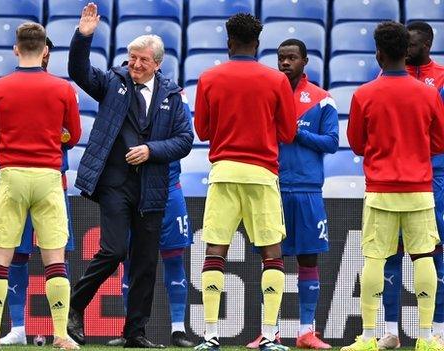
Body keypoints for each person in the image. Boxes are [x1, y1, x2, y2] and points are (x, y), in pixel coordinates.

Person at [65, 2, 193, 348]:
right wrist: (84, 37)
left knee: (145, 262)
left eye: (142, 60)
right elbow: (78, 71)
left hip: (153, 186)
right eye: (131, 57)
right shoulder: (113, 82)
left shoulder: (172, 94)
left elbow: (184, 140)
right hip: (114, 185)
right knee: (114, 250)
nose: (135, 64)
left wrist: (152, 151)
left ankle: (134, 332)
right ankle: (74, 308)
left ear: (157, 64)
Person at [193, 13, 296, 351]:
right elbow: (288, 132)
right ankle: (269, 334)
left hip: (223, 172)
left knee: (215, 250)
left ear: (229, 42)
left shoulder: (209, 78)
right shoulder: (276, 80)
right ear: (258, 44)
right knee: (272, 253)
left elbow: (203, 131)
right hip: (262, 174)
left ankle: (210, 336)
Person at [0, 22, 81, 349]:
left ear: (16, 49)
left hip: (12, 176)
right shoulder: (63, 89)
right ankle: (61, 335)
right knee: (55, 260)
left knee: (0, 258)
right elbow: (73, 137)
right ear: (45, 50)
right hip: (49, 177)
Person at [343, 21, 444, 351]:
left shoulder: (364, 94)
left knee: (375, 260)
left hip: (381, 191)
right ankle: (428, 338)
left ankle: (370, 336)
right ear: (406, 51)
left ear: (379, 54)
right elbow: (439, 142)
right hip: (419, 190)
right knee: (424, 258)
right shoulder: (429, 93)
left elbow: (357, 144)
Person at [246, 39, 338, 350]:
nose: (286, 63)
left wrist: (296, 131)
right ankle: (269, 331)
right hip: (272, 187)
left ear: (305, 60)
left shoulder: (322, 100)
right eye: (281, 58)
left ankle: (306, 332)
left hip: (308, 190)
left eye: (292, 58)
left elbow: (331, 142)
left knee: (308, 259)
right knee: (271, 260)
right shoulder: (266, 95)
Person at [107, 91, 195, 348]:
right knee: (131, 260)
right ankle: (130, 329)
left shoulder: (176, 96)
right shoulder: (122, 94)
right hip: (134, 191)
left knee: (174, 257)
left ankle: (178, 330)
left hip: (169, 189)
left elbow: (184, 139)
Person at [379, 21, 444, 349]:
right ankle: (390, 329)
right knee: (390, 252)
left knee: (434, 252)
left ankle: (435, 329)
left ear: (428, 43)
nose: (406, 51)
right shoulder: (385, 78)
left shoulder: (443, 78)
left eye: (413, 45)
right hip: (396, 177)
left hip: (434, 176)